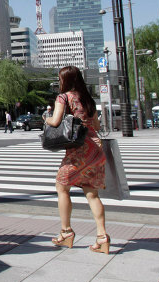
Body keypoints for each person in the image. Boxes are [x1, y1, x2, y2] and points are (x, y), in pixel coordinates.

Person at [45, 66, 110, 254]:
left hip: (78, 150)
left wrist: (46, 118)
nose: (59, 81)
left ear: (65, 79)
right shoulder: (88, 98)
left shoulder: (63, 97)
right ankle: (102, 236)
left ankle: (66, 232)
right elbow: (96, 125)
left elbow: (56, 121)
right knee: (92, 194)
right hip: (95, 148)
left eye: (60, 78)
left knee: (62, 186)